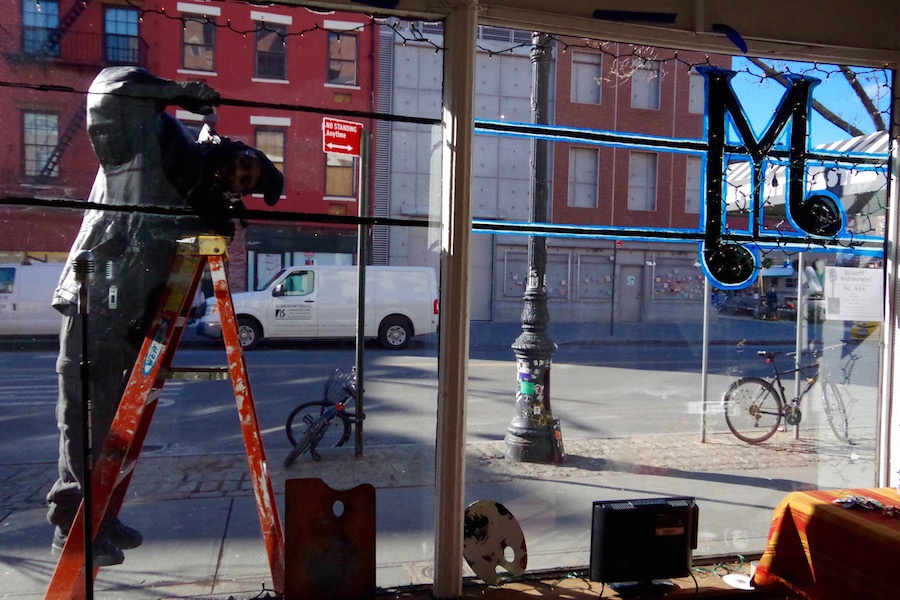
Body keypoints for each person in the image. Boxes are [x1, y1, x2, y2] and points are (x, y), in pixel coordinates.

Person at [47, 66, 283, 566]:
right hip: (98, 298)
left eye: (247, 182)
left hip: (133, 317)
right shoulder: (161, 143)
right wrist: (175, 93)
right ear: (234, 147)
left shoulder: (200, 197)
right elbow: (107, 92)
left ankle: (100, 517)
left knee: (112, 426)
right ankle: (72, 523)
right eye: (245, 166)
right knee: (86, 418)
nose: (239, 179)